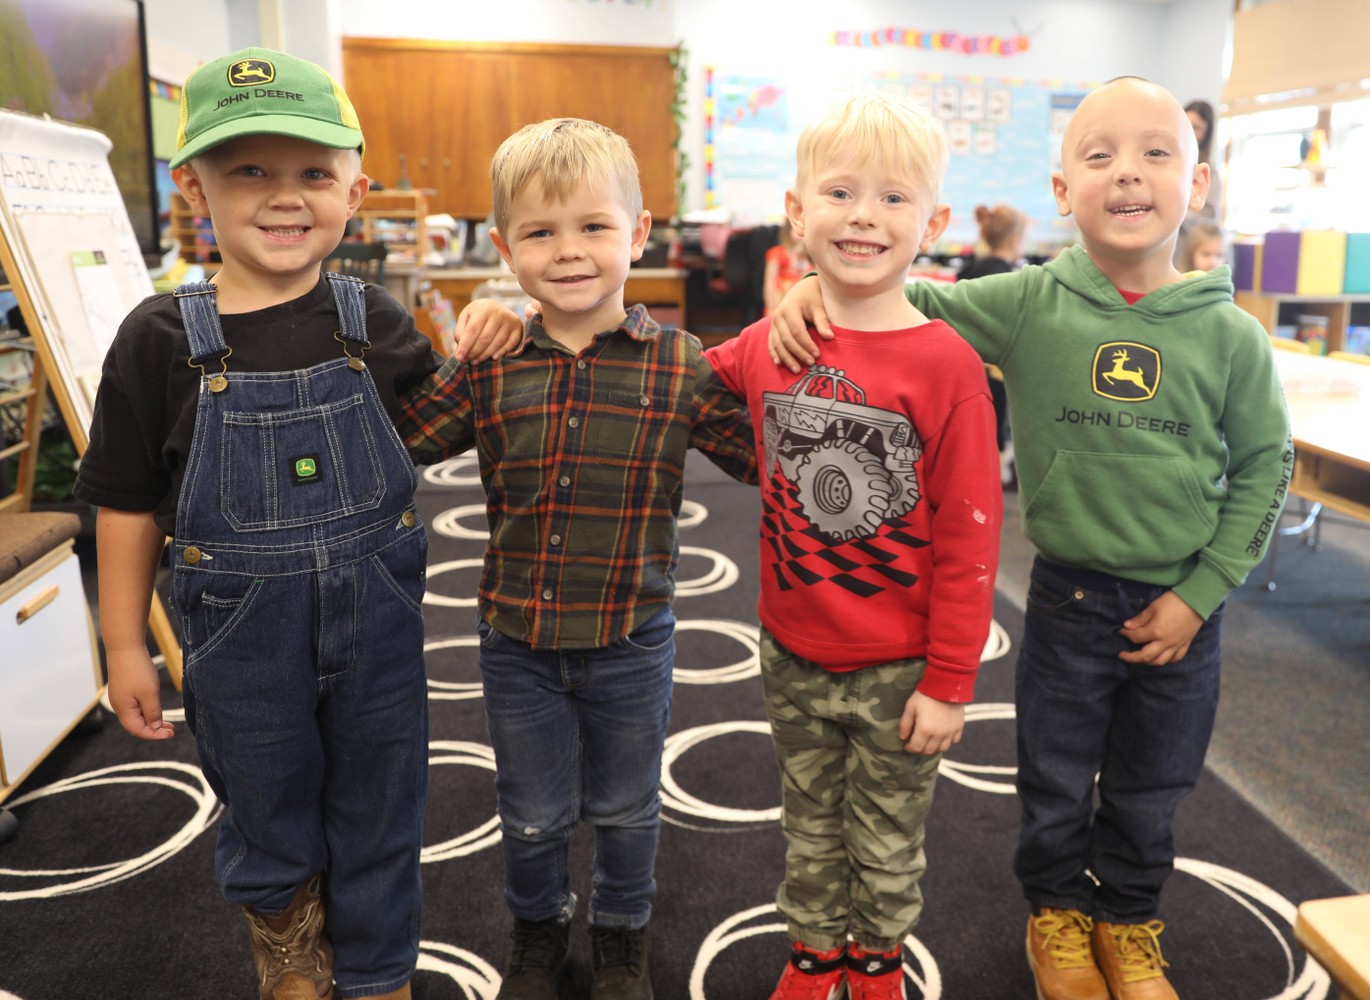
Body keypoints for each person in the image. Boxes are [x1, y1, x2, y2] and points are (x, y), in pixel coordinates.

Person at [767, 77, 1292, 1000]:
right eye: (1099, 156)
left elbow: (1264, 470)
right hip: (1067, 598)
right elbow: (897, 293)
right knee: (1052, 777)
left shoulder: (1231, 336)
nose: (1127, 174)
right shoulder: (1029, 302)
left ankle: (1128, 922)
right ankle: (1055, 915)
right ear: (1062, 191)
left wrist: (1201, 594)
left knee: (1151, 784)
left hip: (1184, 608)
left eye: (1155, 154)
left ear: (1198, 184)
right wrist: (807, 288)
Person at [72, 47, 515, 1000]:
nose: (284, 197)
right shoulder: (158, 339)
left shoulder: (375, 319)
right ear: (195, 188)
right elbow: (121, 498)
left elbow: (446, 426)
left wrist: (492, 336)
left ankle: (383, 971)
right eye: (249, 172)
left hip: (381, 632)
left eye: (313, 172)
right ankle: (289, 946)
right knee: (266, 802)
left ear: (355, 190)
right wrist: (122, 643)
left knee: (382, 803)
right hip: (237, 638)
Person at [395, 117, 756, 1000]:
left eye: (594, 227)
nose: (568, 251)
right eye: (539, 233)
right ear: (507, 249)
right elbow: (402, 439)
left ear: (638, 235)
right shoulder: (493, 362)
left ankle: (623, 935)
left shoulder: (681, 366)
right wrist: (478, 317)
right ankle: (536, 932)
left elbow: (769, 460)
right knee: (531, 813)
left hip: (633, 634)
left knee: (630, 809)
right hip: (516, 638)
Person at [705, 92, 1002, 1000]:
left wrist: (953, 680)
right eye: (839, 192)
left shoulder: (947, 363)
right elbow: (670, 377)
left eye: (894, 198)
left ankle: (875, 958)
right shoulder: (772, 340)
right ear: (796, 213)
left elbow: (972, 537)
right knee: (808, 821)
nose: (865, 215)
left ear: (934, 222)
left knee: (886, 833)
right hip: (791, 647)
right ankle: (812, 949)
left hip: (902, 667)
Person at [957, 203, 1029, 486]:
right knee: (997, 425)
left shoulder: (969, 269)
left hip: (969, 363)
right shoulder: (1009, 279)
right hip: (996, 368)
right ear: (1015, 240)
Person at [1175, 99, 1222, 266]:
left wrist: (1175, 211)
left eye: (1197, 127)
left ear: (1206, 133)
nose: (1189, 130)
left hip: (1188, 249)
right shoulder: (1168, 161)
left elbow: (1209, 216)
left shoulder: (1210, 172)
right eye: (1186, 123)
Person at [762, 221, 811, 316]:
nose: (801, 234)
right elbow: (770, 282)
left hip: (801, 302)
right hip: (780, 299)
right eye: (796, 229)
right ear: (788, 230)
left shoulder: (809, 256)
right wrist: (771, 308)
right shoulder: (777, 252)